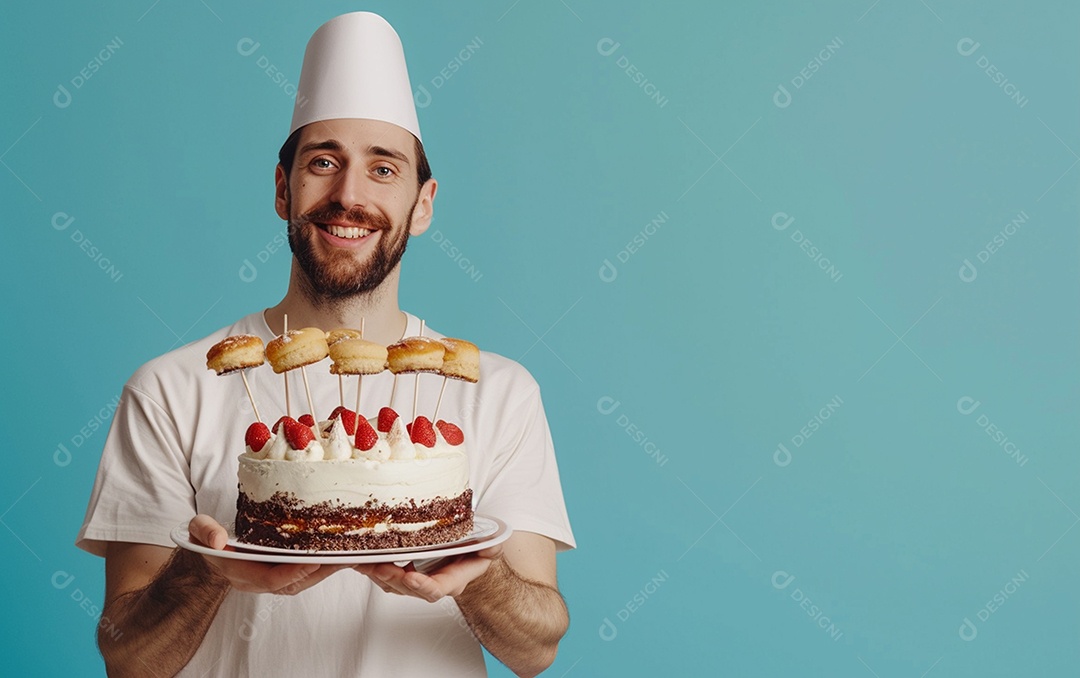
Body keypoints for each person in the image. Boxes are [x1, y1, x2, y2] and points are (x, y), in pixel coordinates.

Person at [76, 12, 575, 678]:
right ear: (283, 190)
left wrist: (473, 575)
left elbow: (537, 650)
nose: (349, 195)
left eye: (383, 168)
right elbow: (128, 659)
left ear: (423, 204)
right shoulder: (170, 388)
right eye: (323, 162)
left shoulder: (498, 391)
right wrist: (206, 570)